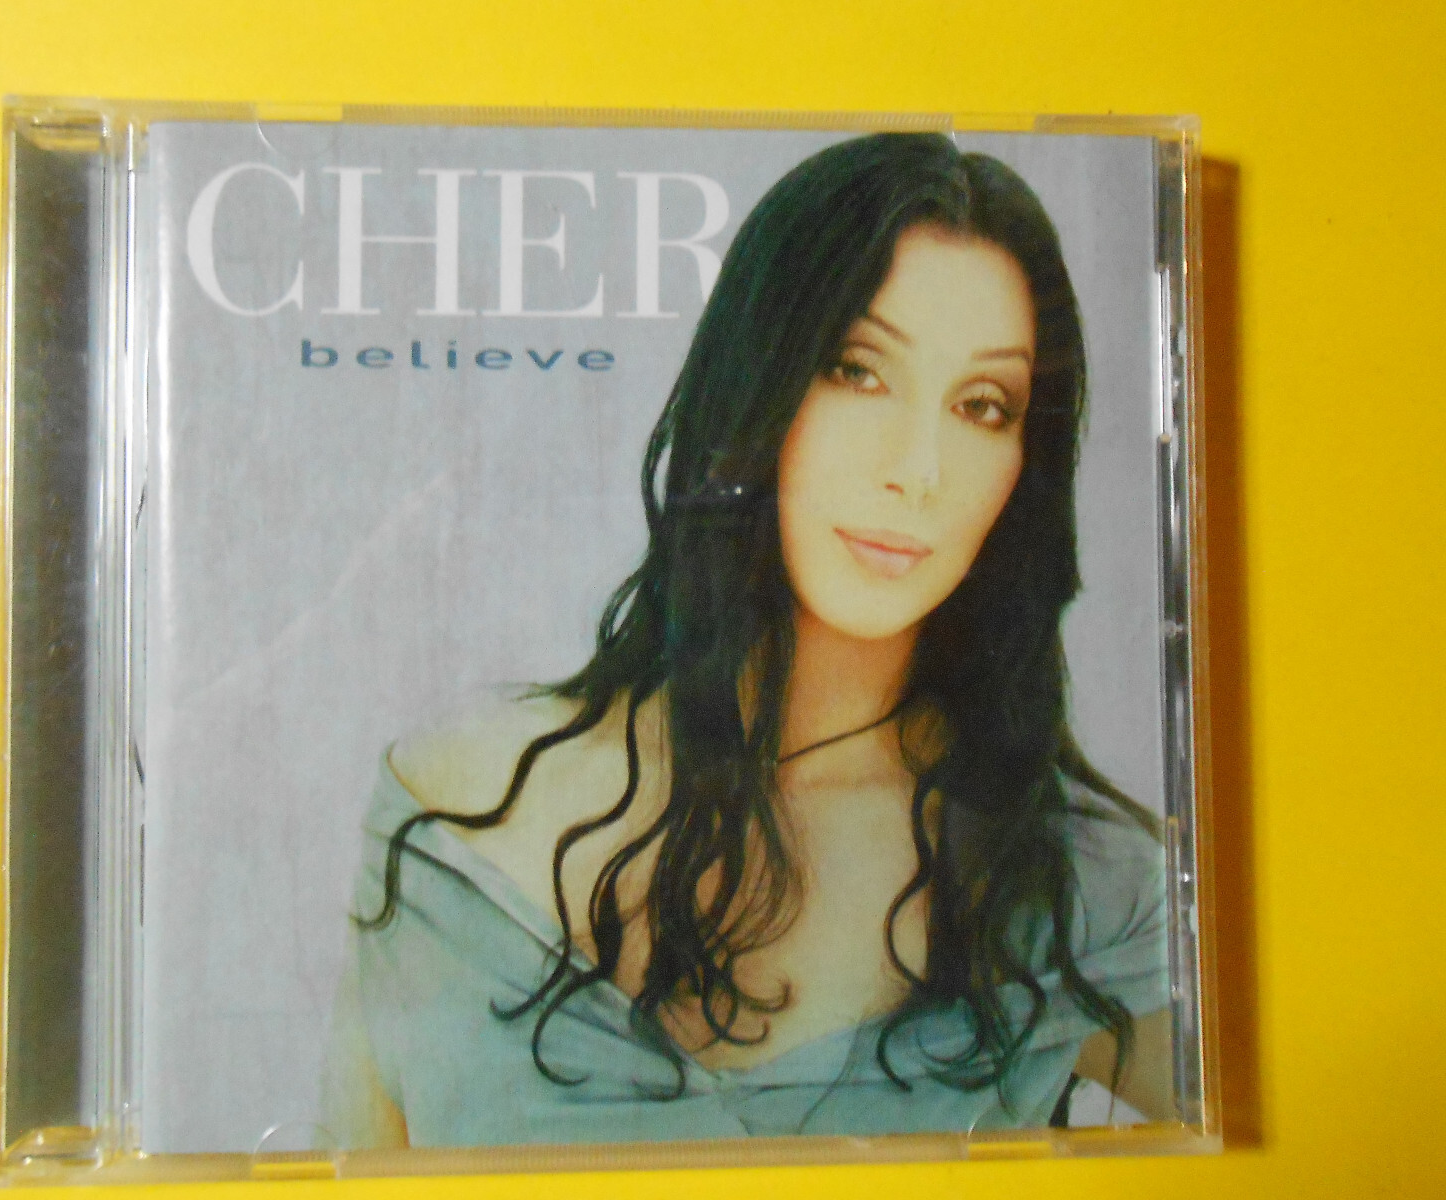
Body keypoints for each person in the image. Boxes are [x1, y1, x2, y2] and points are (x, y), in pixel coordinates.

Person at [321, 132, 1171, 1149]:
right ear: (755, 383)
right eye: (857, 370)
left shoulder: (1075, 880)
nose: (919, 469)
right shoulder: (458, 808)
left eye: (982, 406)